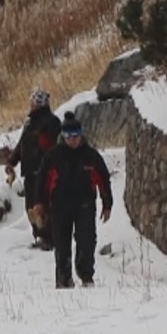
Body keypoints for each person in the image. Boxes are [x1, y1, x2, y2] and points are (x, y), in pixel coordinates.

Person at [33, 112, 113, 289]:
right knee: (62, 246)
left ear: (81, 135)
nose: (73, 140)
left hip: (85, 206)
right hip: (60, 208)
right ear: (63, 136)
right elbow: (42, 182)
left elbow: (103, 180)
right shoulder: (53, 156)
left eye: (76, 136)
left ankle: (86, 276)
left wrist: (107, 204)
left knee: (87, 241)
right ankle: (63, 280)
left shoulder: (91, 156)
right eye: (69, 136)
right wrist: (39, 205)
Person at [5, 87, 61, 250]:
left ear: (39, 103)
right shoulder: (29, 123)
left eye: (33, 101)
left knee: (43, 204)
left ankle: (49, 238)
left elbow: (54, 146)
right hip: (29, 172)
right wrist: (11, 162)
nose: (30, 105)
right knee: (31, 206)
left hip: (45, 171)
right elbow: (21, 145)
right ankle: (38, 235)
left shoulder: (52, 122)